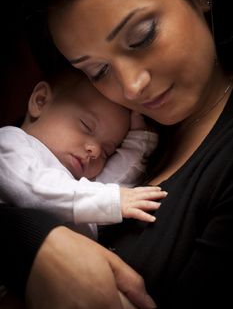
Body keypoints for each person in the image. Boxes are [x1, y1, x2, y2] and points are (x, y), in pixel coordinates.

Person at [24, 0, 233, 308]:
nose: (132, 88)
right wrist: (38, 244)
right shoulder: (107, 121)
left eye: (142, 37)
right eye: (98, 70)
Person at [0, 68, 164, 240]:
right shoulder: (9, 143)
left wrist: (138, 140)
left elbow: (111, 188)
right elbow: (36, 191)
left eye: (107, 152)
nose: (95, 151)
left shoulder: (75, 187)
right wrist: (113, 200)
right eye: (86, 126)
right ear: (40, 101)